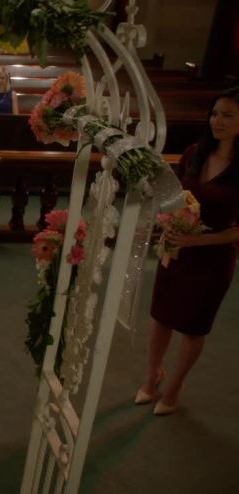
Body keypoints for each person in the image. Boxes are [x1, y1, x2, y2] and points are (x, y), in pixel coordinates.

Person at [136, 87, 239, 416]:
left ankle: (175, 385)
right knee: (161, 317)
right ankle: (152, 375)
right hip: (177, 250)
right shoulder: (194, 153)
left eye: (227, 115)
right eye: (215, 113)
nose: (217, 121)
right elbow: (174, 196)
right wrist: (167, 221)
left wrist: (198, 241)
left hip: (213, 258)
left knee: (193, 326)